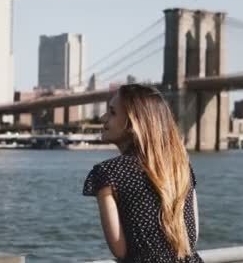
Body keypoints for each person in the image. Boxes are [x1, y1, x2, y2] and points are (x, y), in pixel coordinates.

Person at [83, 84, 203, 263]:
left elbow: (120, 250)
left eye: (112, 112)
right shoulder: (181, 167)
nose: (103, 117)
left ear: (132, 124)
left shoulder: (108, 174)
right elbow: (191, 238)